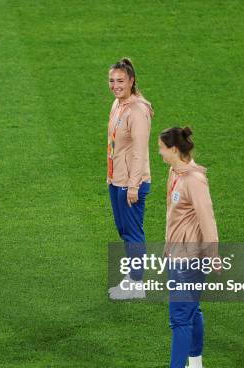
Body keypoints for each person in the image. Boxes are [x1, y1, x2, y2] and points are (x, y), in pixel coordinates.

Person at [146, 127, 219, 368]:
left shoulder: (195, 180)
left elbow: (207, 217)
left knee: (180, 318)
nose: (159, 152)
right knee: (192, 311)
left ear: (174, 149)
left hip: (189, 259)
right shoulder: (176, 172)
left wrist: (212, 255)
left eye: (162, 148)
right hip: (176, 254)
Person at [105, 58, 155, 300]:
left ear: (132, 81)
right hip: (117, 180)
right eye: (112, 80)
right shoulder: (117, 104)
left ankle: (137, 283)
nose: (115, 85)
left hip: (131, 183)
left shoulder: (137, 111)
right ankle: (131, 279)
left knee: (133, 232)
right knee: (124, 230)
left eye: (120, 81)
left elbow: (139, 152)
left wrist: (133, 186)